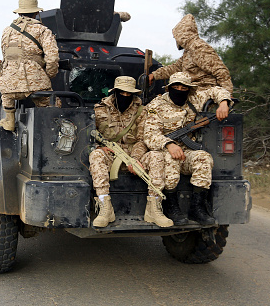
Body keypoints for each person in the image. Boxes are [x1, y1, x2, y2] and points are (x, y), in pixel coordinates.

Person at [144, 72, 232, 225]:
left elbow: (215, 90)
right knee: (172, 159)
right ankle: (171, 206)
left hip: (187, 152)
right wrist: (168, 144)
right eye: (175, 87)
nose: (179, 90)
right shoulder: (156, 105)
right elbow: (150, 134)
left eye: (183, 88)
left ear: (189, 89)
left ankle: (197, 208)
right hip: (165, 153)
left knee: (203, 158)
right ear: (169, 88)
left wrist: (224, 102)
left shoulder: (194, 99)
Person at [89, 76, 172, 228]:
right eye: (122, 93)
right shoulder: (99, 110)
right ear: (115, 92)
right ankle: (105, 208)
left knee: (156, 155)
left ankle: (153, 208)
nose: (126, 97)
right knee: (95, 155)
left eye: (129, 94)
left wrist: (134, 159)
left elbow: (143, 139)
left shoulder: (141, 111)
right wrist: (98, 147)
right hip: (110, 154)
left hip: (134, 155)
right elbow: (88, 135)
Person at [0, 0, 59, 131]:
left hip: (8, 86)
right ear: (37, 12)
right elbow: (53, 58)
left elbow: (6, 56)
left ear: (19, 12)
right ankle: (49, 128)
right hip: (34, 83)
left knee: (6, 96)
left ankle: (9, 120)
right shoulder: (42, 30)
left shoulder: (6, 31)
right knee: (52, 104)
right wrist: (48, 75)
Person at [148, 14, 234, 95]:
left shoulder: (199, 48)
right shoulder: (189, 50)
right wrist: (155, 75)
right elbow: (176, 67)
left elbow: (221, 71)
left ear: (181, 35)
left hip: (202, 92)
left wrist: (226, 96)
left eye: (176, 37)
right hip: (191, 91)